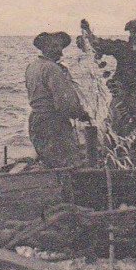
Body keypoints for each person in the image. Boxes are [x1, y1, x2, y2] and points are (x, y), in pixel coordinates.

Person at [25, 31, 91, 168]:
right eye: (54, 46)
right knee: (68, 164)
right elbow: (64, 103)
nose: (59, 51)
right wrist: (81, 114)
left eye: (60, 47)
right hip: (53, 123)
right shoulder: (52, 68)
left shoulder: (32, 66)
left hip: (36, 121)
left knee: (50, 161)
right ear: (44, 47)